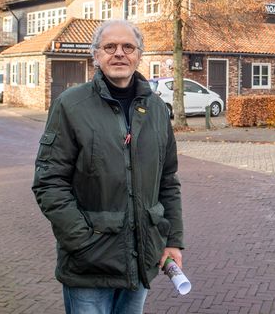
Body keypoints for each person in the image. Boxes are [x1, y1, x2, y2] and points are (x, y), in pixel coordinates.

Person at [32, 19, 184, 314]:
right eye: (109, 47)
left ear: (139, 55)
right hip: (90, 264)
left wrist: (173, 240)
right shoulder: (71, 105)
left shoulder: (155, 110)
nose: (119, 53)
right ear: (96, 55)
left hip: (141, 258)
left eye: (128, 47)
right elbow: (49, 182)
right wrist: (83, 242)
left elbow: (168, 180)